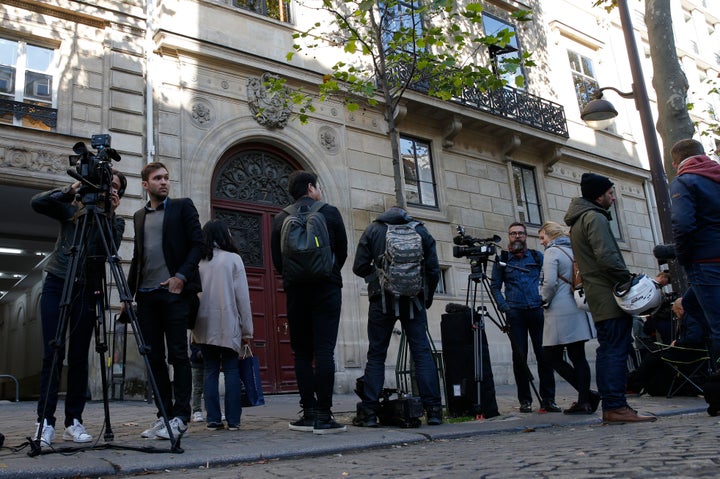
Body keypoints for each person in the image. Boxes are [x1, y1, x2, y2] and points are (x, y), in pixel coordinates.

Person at [30, 170, 126, 446]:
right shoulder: (71, 209)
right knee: (53, 350)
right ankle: (45, 422)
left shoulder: (115, 221)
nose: (108, 189)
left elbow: (111, 250)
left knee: (80, 356)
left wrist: (108, 213)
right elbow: (37, 203)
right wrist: (71, 190)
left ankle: (74, 421)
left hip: (87, 287)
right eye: (105, 184)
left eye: (115, 187)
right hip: (58, 281)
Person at [564, 172, 656, 424]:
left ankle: (613, 406)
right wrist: (626, 280)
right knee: (616, 350)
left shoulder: (580, 220)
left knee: (608, 350)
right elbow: (607, 256)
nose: (614, 198)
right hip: (608, 293)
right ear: (599, 196)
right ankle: (616, 406)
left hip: (598, 294)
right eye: (610, 193)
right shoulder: (594, 217)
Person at [127, 162, 204, 440]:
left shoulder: (183, 207)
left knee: (178, 355)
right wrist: (128, 294)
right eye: (157, 178)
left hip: (174, 293)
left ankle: (181, 416)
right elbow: (137, 257)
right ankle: (164, 415)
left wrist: (181, 276)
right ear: (145, 185)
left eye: (166, 178)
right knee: (154, 358)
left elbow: (198, 244)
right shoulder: (138, 216)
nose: (164, 182)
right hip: (146, 296)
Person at [270, 170, 348, 434]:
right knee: (325, 350)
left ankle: (309, 413)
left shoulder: (281, 217)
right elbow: (343, 251)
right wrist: (328, 273)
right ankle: (325, 417)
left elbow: (277, 261)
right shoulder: (330, 213)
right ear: (312, 187)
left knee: (302, 353)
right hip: (327, 288)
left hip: (296, 292)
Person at [351, 206, 443, 427]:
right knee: (422, 353)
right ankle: (434, 412)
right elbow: (433, 269)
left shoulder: (373, 229)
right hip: (415, 300)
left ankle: (371, 412)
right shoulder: (421, 230)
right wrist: (425, 297)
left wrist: (378, 278)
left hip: (382, 301)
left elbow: (359, 266)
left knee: (376, 355)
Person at [490, 222, 558, 413]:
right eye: (513, 234)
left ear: (526, 236)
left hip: (536, 310)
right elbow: (495, 286)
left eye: (520, 233)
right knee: (519, 359)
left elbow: (548, 279)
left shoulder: (537, 256)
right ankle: (525, 400)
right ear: (509, 237)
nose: (517, 236)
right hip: (516, 312)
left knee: (544, 356)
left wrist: (545, 300)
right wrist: (504, 307)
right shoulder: (502, 259)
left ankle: (549, 399)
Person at [192, 220, 254, 431]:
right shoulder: (234, 259)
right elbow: (243, 298)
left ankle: (213, 419)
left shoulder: (198, 261)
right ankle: (234, 420)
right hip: (228, 322)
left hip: (203, 323)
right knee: (230, 370)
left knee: (210, 370)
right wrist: (247, 330)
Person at [538, 221, 599, 415]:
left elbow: (549, 282)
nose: (541, 242)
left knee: (550, 356)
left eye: (542, 238)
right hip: (577, 306)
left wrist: (543, 300)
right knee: (578, 356)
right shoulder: (574, 249)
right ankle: (585, 399)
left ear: (551, 235)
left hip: (559, 309)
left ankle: (587, 396)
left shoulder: (552, 252)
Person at [669, 138, 720, 362]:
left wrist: (683, 255)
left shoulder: (684, 181)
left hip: (705, 260)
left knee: (717, 324)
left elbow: (682, 223)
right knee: (689, 303)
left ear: (675, 162)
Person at [189, 343, 204, 423]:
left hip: (208, 363)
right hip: (197, 363)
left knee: (208, 388)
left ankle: (213, 409)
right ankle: (196, 410)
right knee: (197, 388)